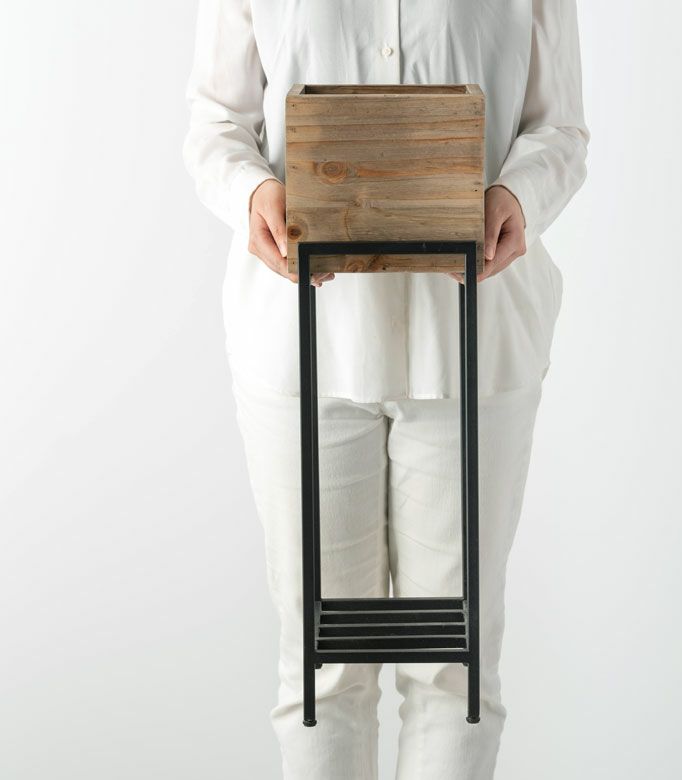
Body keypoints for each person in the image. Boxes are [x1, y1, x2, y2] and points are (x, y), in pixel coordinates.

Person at [182, 0, 589, 777]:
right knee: (321, 675)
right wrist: (253, 195)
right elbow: (215, 121)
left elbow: (559, 128)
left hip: (473, 343)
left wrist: (518, 197)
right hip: (304, 347)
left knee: (456, 676)